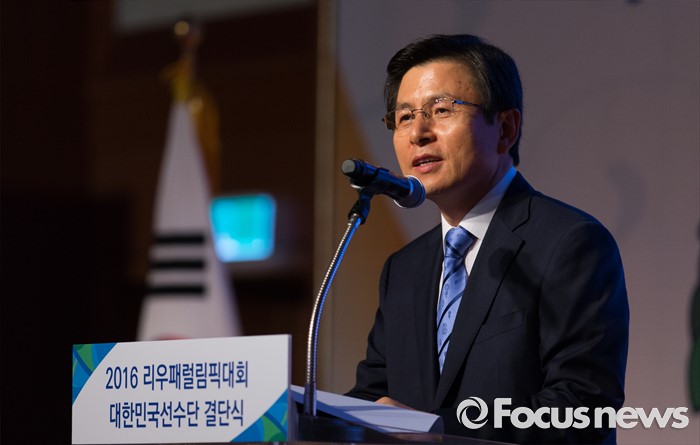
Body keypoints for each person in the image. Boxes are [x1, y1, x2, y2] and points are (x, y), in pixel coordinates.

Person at [346, 34, 629, 444]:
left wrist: (438, 433)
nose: (418, 133)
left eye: (441, 110)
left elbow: (582, 407)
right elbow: (374, 397)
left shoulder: (571, 244)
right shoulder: (404, 269)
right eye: (404, 117)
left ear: (505, 128)